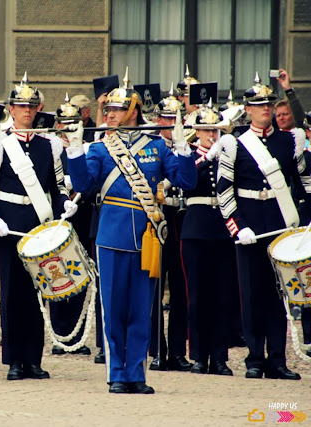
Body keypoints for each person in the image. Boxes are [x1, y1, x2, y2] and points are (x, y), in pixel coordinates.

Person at [67, 69, 197, 394]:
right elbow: (84, 186)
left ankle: (136, 373)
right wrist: (73, 152)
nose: (109, 115)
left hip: (147, 238)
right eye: (108, 110)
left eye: (116, 110)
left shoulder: (156, 146)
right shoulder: (99, 148)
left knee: (142, 309)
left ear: (133, 112)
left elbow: (186, 181)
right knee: (113, 308)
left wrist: (183, 149)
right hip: (111, 237)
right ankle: (116, 373)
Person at [0, 74, 76, 381]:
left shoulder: (51, 146)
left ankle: (33, 359)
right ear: (11, 108)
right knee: (11, 295)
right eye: (21, 106)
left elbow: (58, 188)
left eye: (32, 106)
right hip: (9, 225)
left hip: (39, 226)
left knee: (37, 294)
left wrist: (66, 205)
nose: (27, 112)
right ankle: (14, 360)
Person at [217, 72, 307, 380]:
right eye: (259, 105)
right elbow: (224, 190)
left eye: (269, 104)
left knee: (277, 296)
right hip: (250, 227)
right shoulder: (235, 144)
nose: (266, 109)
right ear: (248, 110)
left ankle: (277, 359)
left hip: (280, 227)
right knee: (252, 295)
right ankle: (254, 358)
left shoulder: (288, 140)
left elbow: (302, 181)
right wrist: (237, 226)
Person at [180, 102, 236, 376]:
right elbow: (186, 181)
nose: (212, 135)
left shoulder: (227, 156)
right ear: (197, 131)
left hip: (222, 229)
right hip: (196, 230)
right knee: (198, 297)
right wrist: (207, 158)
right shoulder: (189, 155)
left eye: (216, 130)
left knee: (222, 297)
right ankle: (199, 356)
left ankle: (220, 357)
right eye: (206, 130)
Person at [148, 86, 193, 372]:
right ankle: (156, 350)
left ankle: (177, 351)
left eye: (176, 118)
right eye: (167, 119)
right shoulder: (151, 147)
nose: (172, 124)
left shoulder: (184, 144)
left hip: (179, 218)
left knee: (180, 289)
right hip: (155, 217)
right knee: (153, 287)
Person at [49, 94, 94, 357]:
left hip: (81, 216)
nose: (68, 128)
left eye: (72, 122)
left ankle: (76, 335)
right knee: (57, 276)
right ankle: (59, 335)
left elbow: (90, 181)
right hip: (57, 218)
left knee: (79, 276)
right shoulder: (51, 147)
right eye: (64, 123)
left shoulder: (86, 148)